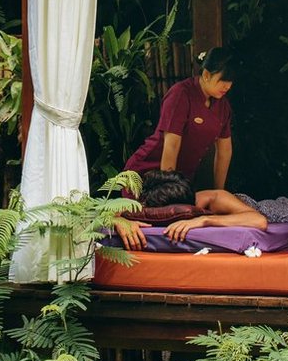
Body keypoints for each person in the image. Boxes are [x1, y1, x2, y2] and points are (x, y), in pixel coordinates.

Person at [124, 46, 239, 190]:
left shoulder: (223, 106)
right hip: (145, 175)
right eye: (223, 80)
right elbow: (171, 145)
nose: (228, 86)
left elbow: (225, 151)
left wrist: (219, 191)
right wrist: (168, 190)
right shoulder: (181, 94)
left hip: (182, 181)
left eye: (231, 81)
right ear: (206, 75)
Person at [112, 177, 268, 250]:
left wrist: (205, 220)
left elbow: (258, 220)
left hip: (265, 206)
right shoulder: (148, 202)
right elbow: (103, 213)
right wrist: (120, 222)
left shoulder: (214, 198)